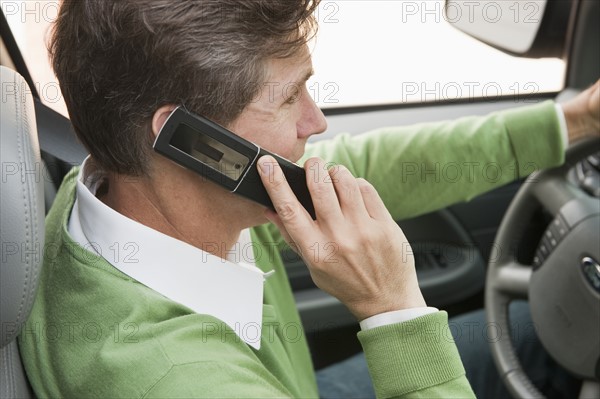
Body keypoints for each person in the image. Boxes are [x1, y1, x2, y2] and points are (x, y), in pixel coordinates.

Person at [18, 1, 599, 398]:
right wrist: (394, 309)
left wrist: (573, 122)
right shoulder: (175, 380)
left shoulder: (117, 190)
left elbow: (366, 169)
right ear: (187, 139)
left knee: (528, 328)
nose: (316, 121)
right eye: (290, 96)